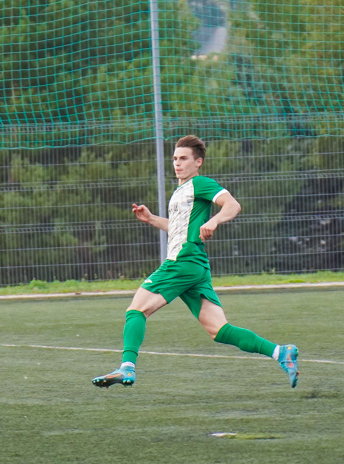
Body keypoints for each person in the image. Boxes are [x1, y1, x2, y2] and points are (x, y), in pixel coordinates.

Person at [92, 135, 299, 388]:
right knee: (219, 330)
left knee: (137, 310)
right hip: (196, 266)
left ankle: (127, 367)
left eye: (184, 159)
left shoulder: (200, 183)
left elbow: (232, 205)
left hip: (184, 260)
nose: (177, 163)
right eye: (175, 159)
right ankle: (281, 352)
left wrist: (214, 221)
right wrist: (151, 219)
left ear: (198, 162)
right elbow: (181, 228)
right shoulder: (181, 191)